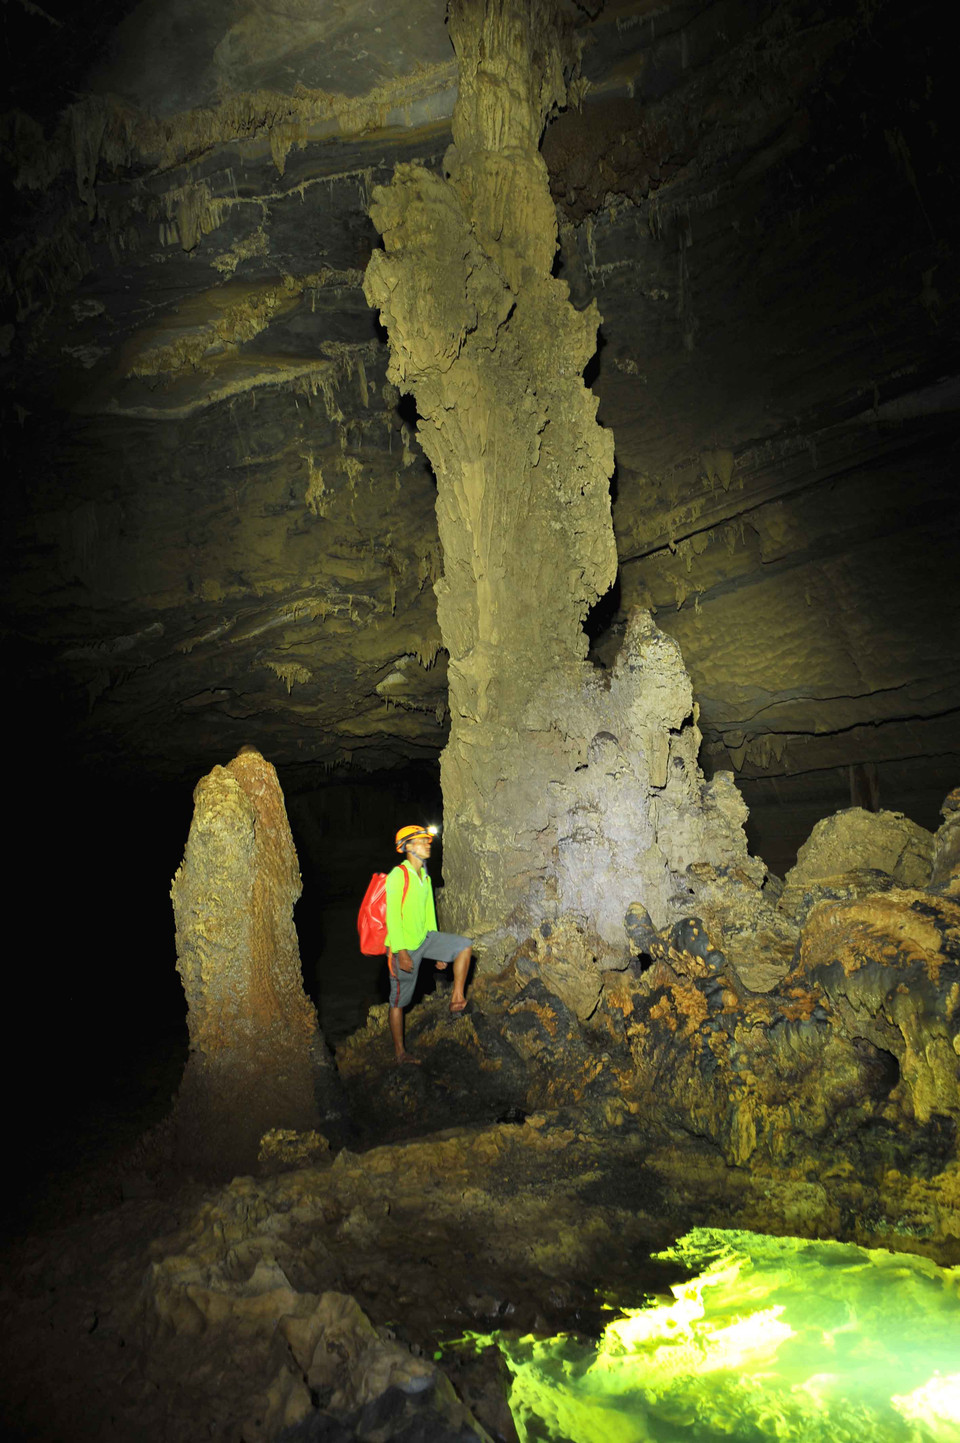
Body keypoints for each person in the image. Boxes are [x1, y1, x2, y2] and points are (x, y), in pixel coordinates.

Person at [386, 824, 472, 1065]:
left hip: (425, 940)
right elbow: (392, 917)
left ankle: (456, 998)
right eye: (422, 841)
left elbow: (429, 913)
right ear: (408, 847)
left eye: (427, 841)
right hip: (403, 947)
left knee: (464, 946)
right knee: (398, 1001)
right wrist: (401, 952)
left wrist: (439, 949)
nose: (427, 844)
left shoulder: (424, 875)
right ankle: (400, 1053)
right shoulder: (398, 876)